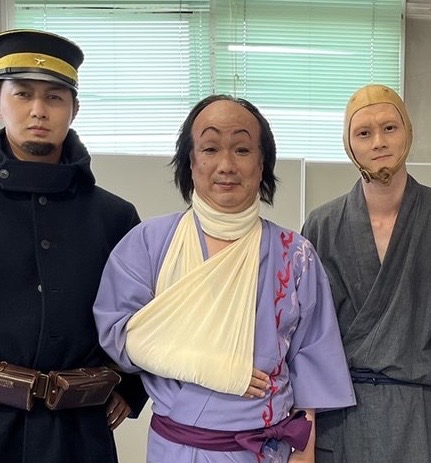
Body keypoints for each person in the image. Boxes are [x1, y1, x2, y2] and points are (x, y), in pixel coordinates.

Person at [93, 94, 356, 463]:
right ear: (190, 160)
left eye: (242, 149)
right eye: (211, 148)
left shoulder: (295, 255)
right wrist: (213, 368)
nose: (227, 165)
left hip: (264, 451)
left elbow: (311, 358)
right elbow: (120, 335)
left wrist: (304, 451)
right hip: (175, 451)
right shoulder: (149, 244)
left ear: (262, 163)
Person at [0, 29, 147, 463]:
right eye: (23, 94)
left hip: (81, 435)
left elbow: (147, 314)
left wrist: (131, 385)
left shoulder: (115, 217)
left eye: (54, 97)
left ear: (74, 109)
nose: (38, 110)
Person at [301, 84, 431, 462]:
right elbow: (304, 339)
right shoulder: (321, 226)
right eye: (363, 132)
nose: (378, 142)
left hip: (421, 417)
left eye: (390, 127)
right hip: (342, 420)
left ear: (408, 132)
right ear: (349, 144)